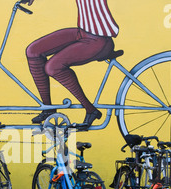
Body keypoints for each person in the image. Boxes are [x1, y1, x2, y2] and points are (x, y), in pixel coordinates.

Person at [26, 0, 119, 129]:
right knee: (33, 51)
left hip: (99, 40)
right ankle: (48, 109)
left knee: (52, 67)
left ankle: (90, 109)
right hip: (82, 33)